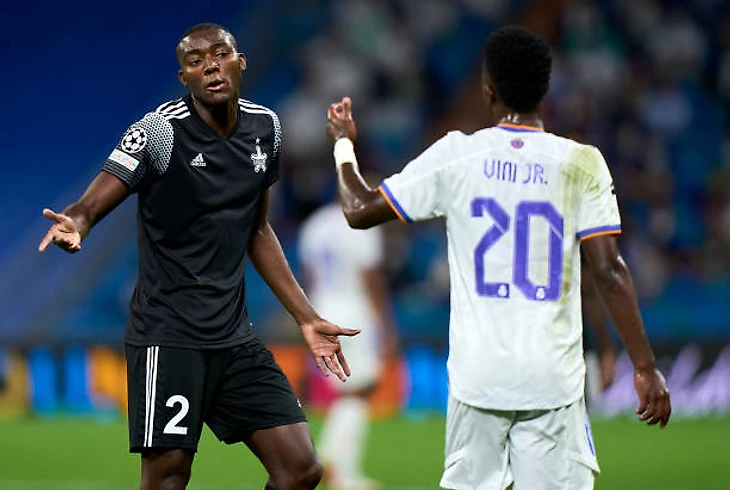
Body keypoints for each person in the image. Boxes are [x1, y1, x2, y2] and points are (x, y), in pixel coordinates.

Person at [326, 25, 671, 490]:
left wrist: (343, 143)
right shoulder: (581, 162)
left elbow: (359, 208)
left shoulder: (457, 156)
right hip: (552, 378)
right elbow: (608, 270)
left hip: (478, 377)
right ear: (545, 89)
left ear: (488, 90)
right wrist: (645, 367)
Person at [38, 23, 360, 490]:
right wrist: (76, 222)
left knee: (301, 469)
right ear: (184, 77)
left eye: (220, 54)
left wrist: (306, 317)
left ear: (240, 62)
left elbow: (257, 228)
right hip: (167, 339)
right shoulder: (158, 132)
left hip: (234, 339)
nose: (210, 66)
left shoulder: (265, 127)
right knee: (169, 476)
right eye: (195, 61)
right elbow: (90, 205)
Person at [298, 196, 399, 490]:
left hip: (322, 307)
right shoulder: (362, 222)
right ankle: (342, 470)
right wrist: (387, 326)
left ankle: (329, 456)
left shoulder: (315, 224)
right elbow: (370, 277)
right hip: (353, 311)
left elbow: (307, 275)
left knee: (349, 390)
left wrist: (308, 316)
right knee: (360, 389)